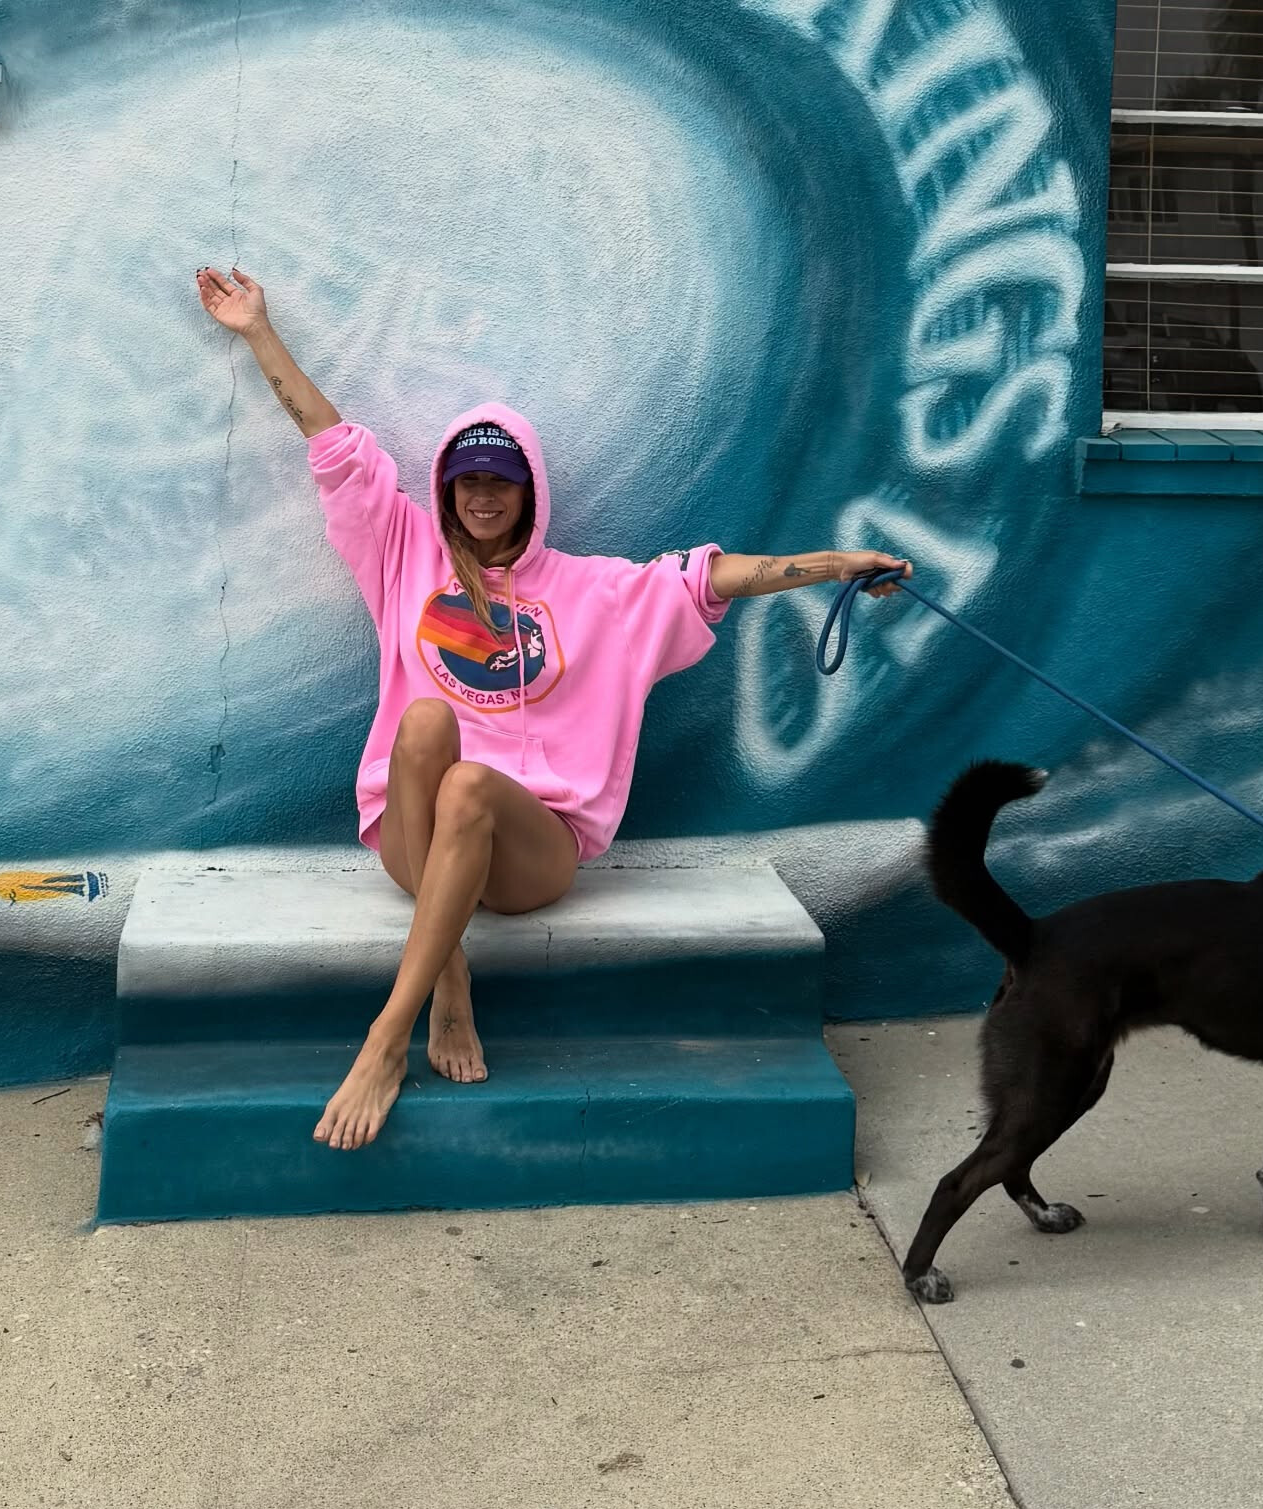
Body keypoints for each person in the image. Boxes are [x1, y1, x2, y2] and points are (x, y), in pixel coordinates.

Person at [195, 264, 910, 1150]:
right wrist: (257, 330)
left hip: (529, 853)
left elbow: (711, 578)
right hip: (412, 841)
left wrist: (835, 565)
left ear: (528, 492)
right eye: (467, 479)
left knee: (469, 785)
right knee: (425, 725)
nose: (482, 495)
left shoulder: (590, 590)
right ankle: (448, 979)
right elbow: (328, 436)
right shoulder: (403, 550)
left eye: (500, 481)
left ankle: (386, 1037)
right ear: (445, 487)